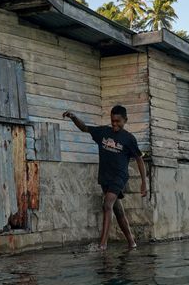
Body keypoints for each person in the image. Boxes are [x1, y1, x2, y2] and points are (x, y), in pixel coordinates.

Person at [63, 105, 147, 250]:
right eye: (113, 121)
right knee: (118, 211)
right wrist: (74, 117)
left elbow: (139, 159)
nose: (115, 124)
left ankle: (103, 245)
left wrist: (144, 183)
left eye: (118, 121)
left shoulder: (129, 139)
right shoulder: (103, 132)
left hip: (119, 177)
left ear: (125, 120)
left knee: (107, 204)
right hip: (105, 177)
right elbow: (85, 128)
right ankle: (131, 242)